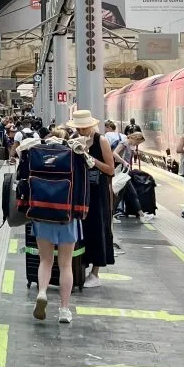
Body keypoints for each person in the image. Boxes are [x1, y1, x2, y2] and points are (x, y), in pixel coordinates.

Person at [30, 126, 83, 324]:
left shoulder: (39, 153)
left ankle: (42, 292)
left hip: (42, 215)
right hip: (67, 215)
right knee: (66, 264)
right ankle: (64, 309)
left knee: (45, 261)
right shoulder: (74, 155)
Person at [68, 110, 115, 288]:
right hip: (80, 190)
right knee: (82, 228)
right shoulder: (74, 140)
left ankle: (95, 272)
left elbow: (110, 169)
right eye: (78, 129)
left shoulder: (100, 140)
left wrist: (89, 158)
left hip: (97, 191)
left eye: (83, 128)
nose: (80, 132)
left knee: (98, 228)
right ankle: (81, 266)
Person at [112, 132, 153, 222]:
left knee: (121, 195)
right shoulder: (124, 143)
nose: (137, 144)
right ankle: (142, 215)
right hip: (122, 172)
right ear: (135, 138)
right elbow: (114, 153)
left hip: (125, 172)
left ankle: (111, 215)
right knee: (132, 194)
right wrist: (123, 162)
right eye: (138, 142)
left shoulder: (129, 145)